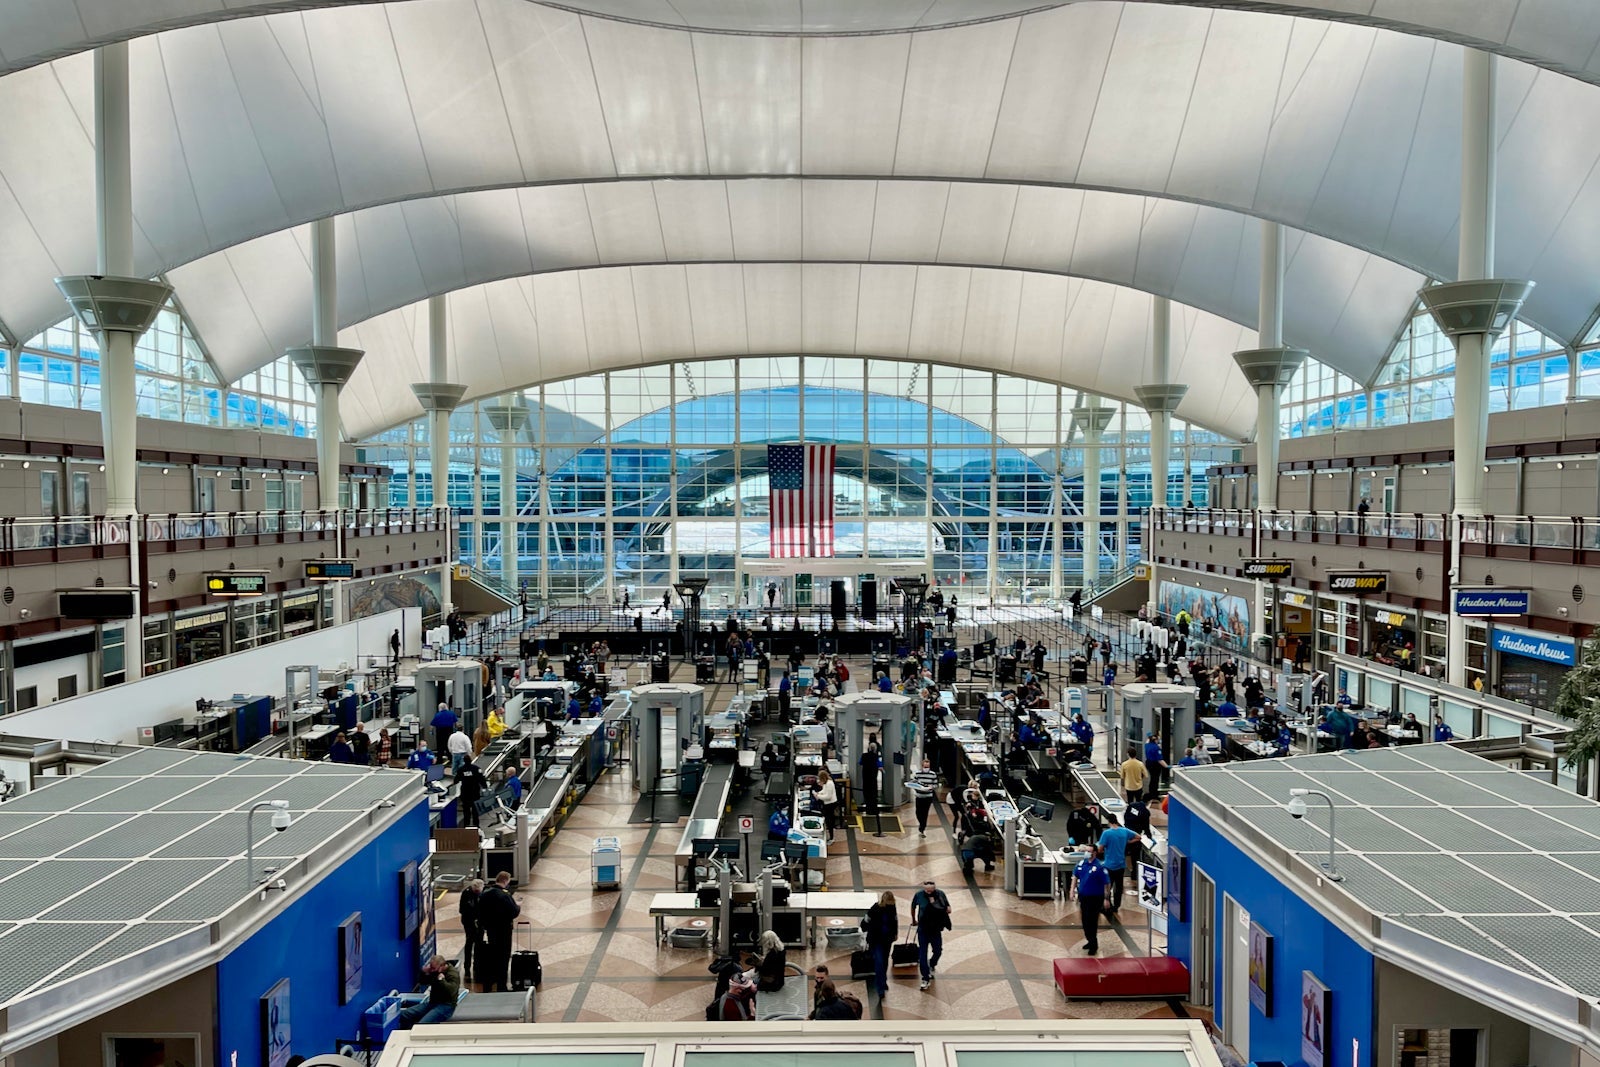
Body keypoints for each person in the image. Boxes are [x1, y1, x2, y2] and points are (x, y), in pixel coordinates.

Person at [477, 871, 521, 992]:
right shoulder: (505, 895)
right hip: (504, 931)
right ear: (506, 881)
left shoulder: (485, 894)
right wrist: (518, 906)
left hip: (491, 931)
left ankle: (488, 985)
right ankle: (501, 985)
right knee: (503, 958)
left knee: (491, 957)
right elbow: (514, 912)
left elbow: (479, 913)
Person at [910, 878, 952, 990]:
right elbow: (913, 906)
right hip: (923, 929)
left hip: (935, 929)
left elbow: (947, 907)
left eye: (930, 891)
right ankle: (925, 977)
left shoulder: (940, 894)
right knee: (922, 953)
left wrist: (937, 905)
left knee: (938, 950)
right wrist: (914, 919)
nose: (928, 893)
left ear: (934, 889)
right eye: (926, 891)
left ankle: (932, 963)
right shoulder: (919, 895)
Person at [398, 954, 461, 1027]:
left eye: (433, 968)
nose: (432, 970)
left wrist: (441, 980)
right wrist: (424, 973)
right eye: (431, 967)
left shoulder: (453, 974)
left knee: (422, 1025)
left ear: (442, 966)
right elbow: (423, 982)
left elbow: (451, 992)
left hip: (446, 1006)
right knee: (404, 1015)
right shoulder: (434, 971)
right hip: (433, 1003)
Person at [1071, 846, 1110, 955]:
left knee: (1091, 921)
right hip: (1084, 897)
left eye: (1089, 851)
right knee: (1085, 920)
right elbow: (1075, 876)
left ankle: (1094, 944)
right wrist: (1072, 891)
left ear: (1095, 853)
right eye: (1086, 851)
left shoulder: (1100, 866)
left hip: (1096, 897)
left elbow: (1107, 883)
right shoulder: (1081, 864)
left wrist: (1107, 898)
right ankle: (1089, 940)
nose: (1087, 853)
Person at [1098, 814, 1140, 913]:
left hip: (1109, 864)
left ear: (1109, 821)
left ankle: (1106, 904)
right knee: (1119, 886)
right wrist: (1127, 842)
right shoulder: (1124, 831)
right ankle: (1116, 906)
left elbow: (1100, 849)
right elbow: (1138, 837)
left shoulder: (1107, 833)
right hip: (1121, 864)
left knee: (1107, 886)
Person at [861, 890, 899, 1000]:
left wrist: (895, 933)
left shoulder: (892, 908)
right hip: (876, 939)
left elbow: (895, 920)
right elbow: (866, 920)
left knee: (885, 960)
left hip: (887, 939)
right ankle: (880, 987)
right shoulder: (875, 908)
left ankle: (883, 981)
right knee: (879, 961)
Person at [458, 878, 485, 983]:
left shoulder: (483, 893)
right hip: (469, 922)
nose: (478, 893)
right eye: (476, 891)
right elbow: (462, 910)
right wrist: (472, 917)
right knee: (469, 943)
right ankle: (467, 968)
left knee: (479, 944)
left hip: (480, 923)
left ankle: (478, 966)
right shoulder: (466, 894)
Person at [906, 757, 938, 835]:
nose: (926, 767)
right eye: (925, 766)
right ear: (922, 765)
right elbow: (913, 782)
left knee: (925, 812)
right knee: (918, 812)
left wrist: (931, 787)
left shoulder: (933, 774)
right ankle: (921, 823)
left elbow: (936, 784)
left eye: (928, 766)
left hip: (928, 796)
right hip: (919, 796)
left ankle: (922, 826)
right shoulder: (918, 774)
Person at [859, 733, 883, 817]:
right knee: (873, 794)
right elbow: (879, 765)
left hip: (865, 778)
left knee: (867, 794)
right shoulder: (876, 757)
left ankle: (868, 809)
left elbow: (860, 763)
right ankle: (874, 810)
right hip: (873, 778)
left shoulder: (864, 756)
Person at [812, 767, 838, 841]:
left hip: (830, 804)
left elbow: (828, 796)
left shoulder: (829, 783)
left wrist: (818, 796)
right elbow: (824, 790)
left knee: (829, 820)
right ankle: (830, 834)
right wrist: (819, 793)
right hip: (827, 804)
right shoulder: (826, 783)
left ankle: (831, 837)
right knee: (828, 819)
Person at [1142, 732, 1168, 800]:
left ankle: (1151, 792)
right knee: (1155, 779)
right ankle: (1154, 794)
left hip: (1148, 763)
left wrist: (1150, 736)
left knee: (1152, 778)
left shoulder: (1147, 745)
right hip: (1155, 765)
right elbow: (1160, 760)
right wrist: (1167, 766)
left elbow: (1147, 740)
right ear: (1156, 740)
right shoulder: (1156, 748)